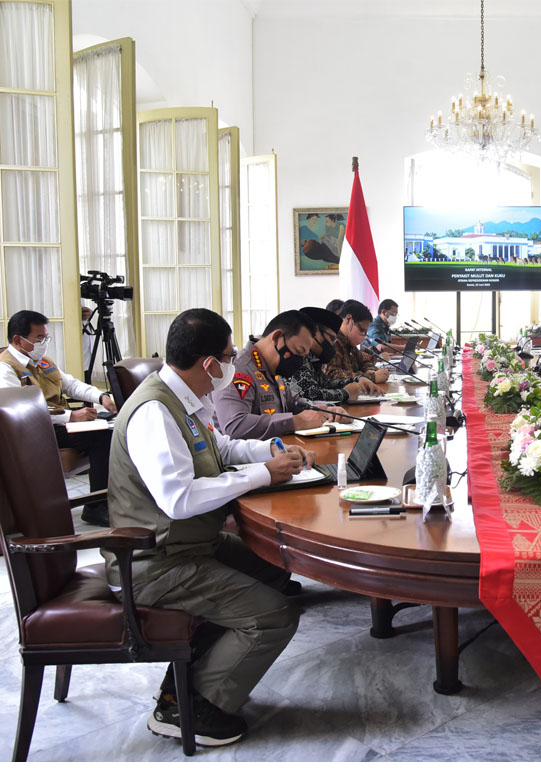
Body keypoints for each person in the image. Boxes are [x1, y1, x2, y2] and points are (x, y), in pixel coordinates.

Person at [103, 308, 310, 747]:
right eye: (229, 356)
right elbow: (178, 499)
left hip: (190, 546)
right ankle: (190, 708)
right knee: (274, 615)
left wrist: (271, 451)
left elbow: (222, 447)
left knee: (272, 564)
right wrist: (263, 475)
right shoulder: (154, 413)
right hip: (154, 562)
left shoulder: (184, 402)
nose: (234, 364)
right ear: (209, 364)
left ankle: (191, 677)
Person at [0, 309, 117, 526]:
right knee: (103, 438)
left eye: (46, 337)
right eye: (39, 338)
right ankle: (96, 507)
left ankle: (111, 500)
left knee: (113, 427)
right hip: (34, 431)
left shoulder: (42, 361)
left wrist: (101, 397)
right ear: (18, 340)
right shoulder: (5, 368)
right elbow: (22, 412)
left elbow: (71, 385)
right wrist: (71, 416)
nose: (44, 343)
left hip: (59, 423)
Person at [211, 310, 348, 439]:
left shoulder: (272, 369)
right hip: (245, 462)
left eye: (304, 356)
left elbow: (294, 402)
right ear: (277, 338)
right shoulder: (239, 369)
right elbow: (235, 426)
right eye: (298, 351)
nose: (299, 361)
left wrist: (328, 410)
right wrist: (295, 422)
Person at [283, 306, 383, 403]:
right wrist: (345, 394)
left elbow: (326, 383)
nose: (332, 345)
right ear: (315, 333)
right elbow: (310, 395)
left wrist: (358, 380)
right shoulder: (296, 356)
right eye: (331, 339)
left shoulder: (313, 358)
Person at [323, 299, 390, 385]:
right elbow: (332, 375)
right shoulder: (333, 341)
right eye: (362, 331)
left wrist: (370, 371)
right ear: (348, 319)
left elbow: (364, 362)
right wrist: (371, 377)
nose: (364, 336)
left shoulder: (350, 344)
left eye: (366, 332)